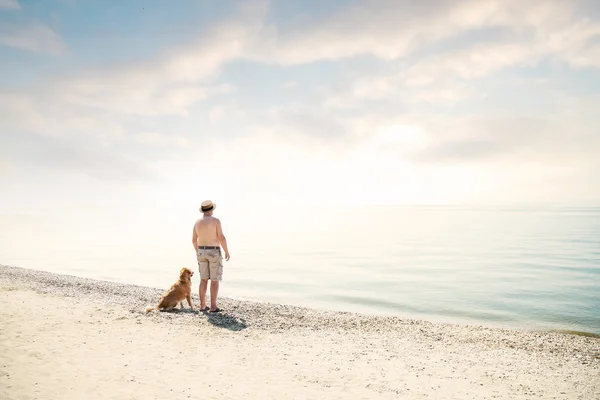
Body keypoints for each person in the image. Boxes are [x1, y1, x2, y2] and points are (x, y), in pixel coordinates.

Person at [192, 200, 230, 313]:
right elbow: (221, 237)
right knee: (214, 280)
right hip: (213, 251)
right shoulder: (216, 221)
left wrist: (198, 252)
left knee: (203, 280)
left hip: (201, 251)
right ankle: (213, 307)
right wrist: (227, 251)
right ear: (211, 210)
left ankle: (203, 305)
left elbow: (194, 240)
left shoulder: (197, 222)